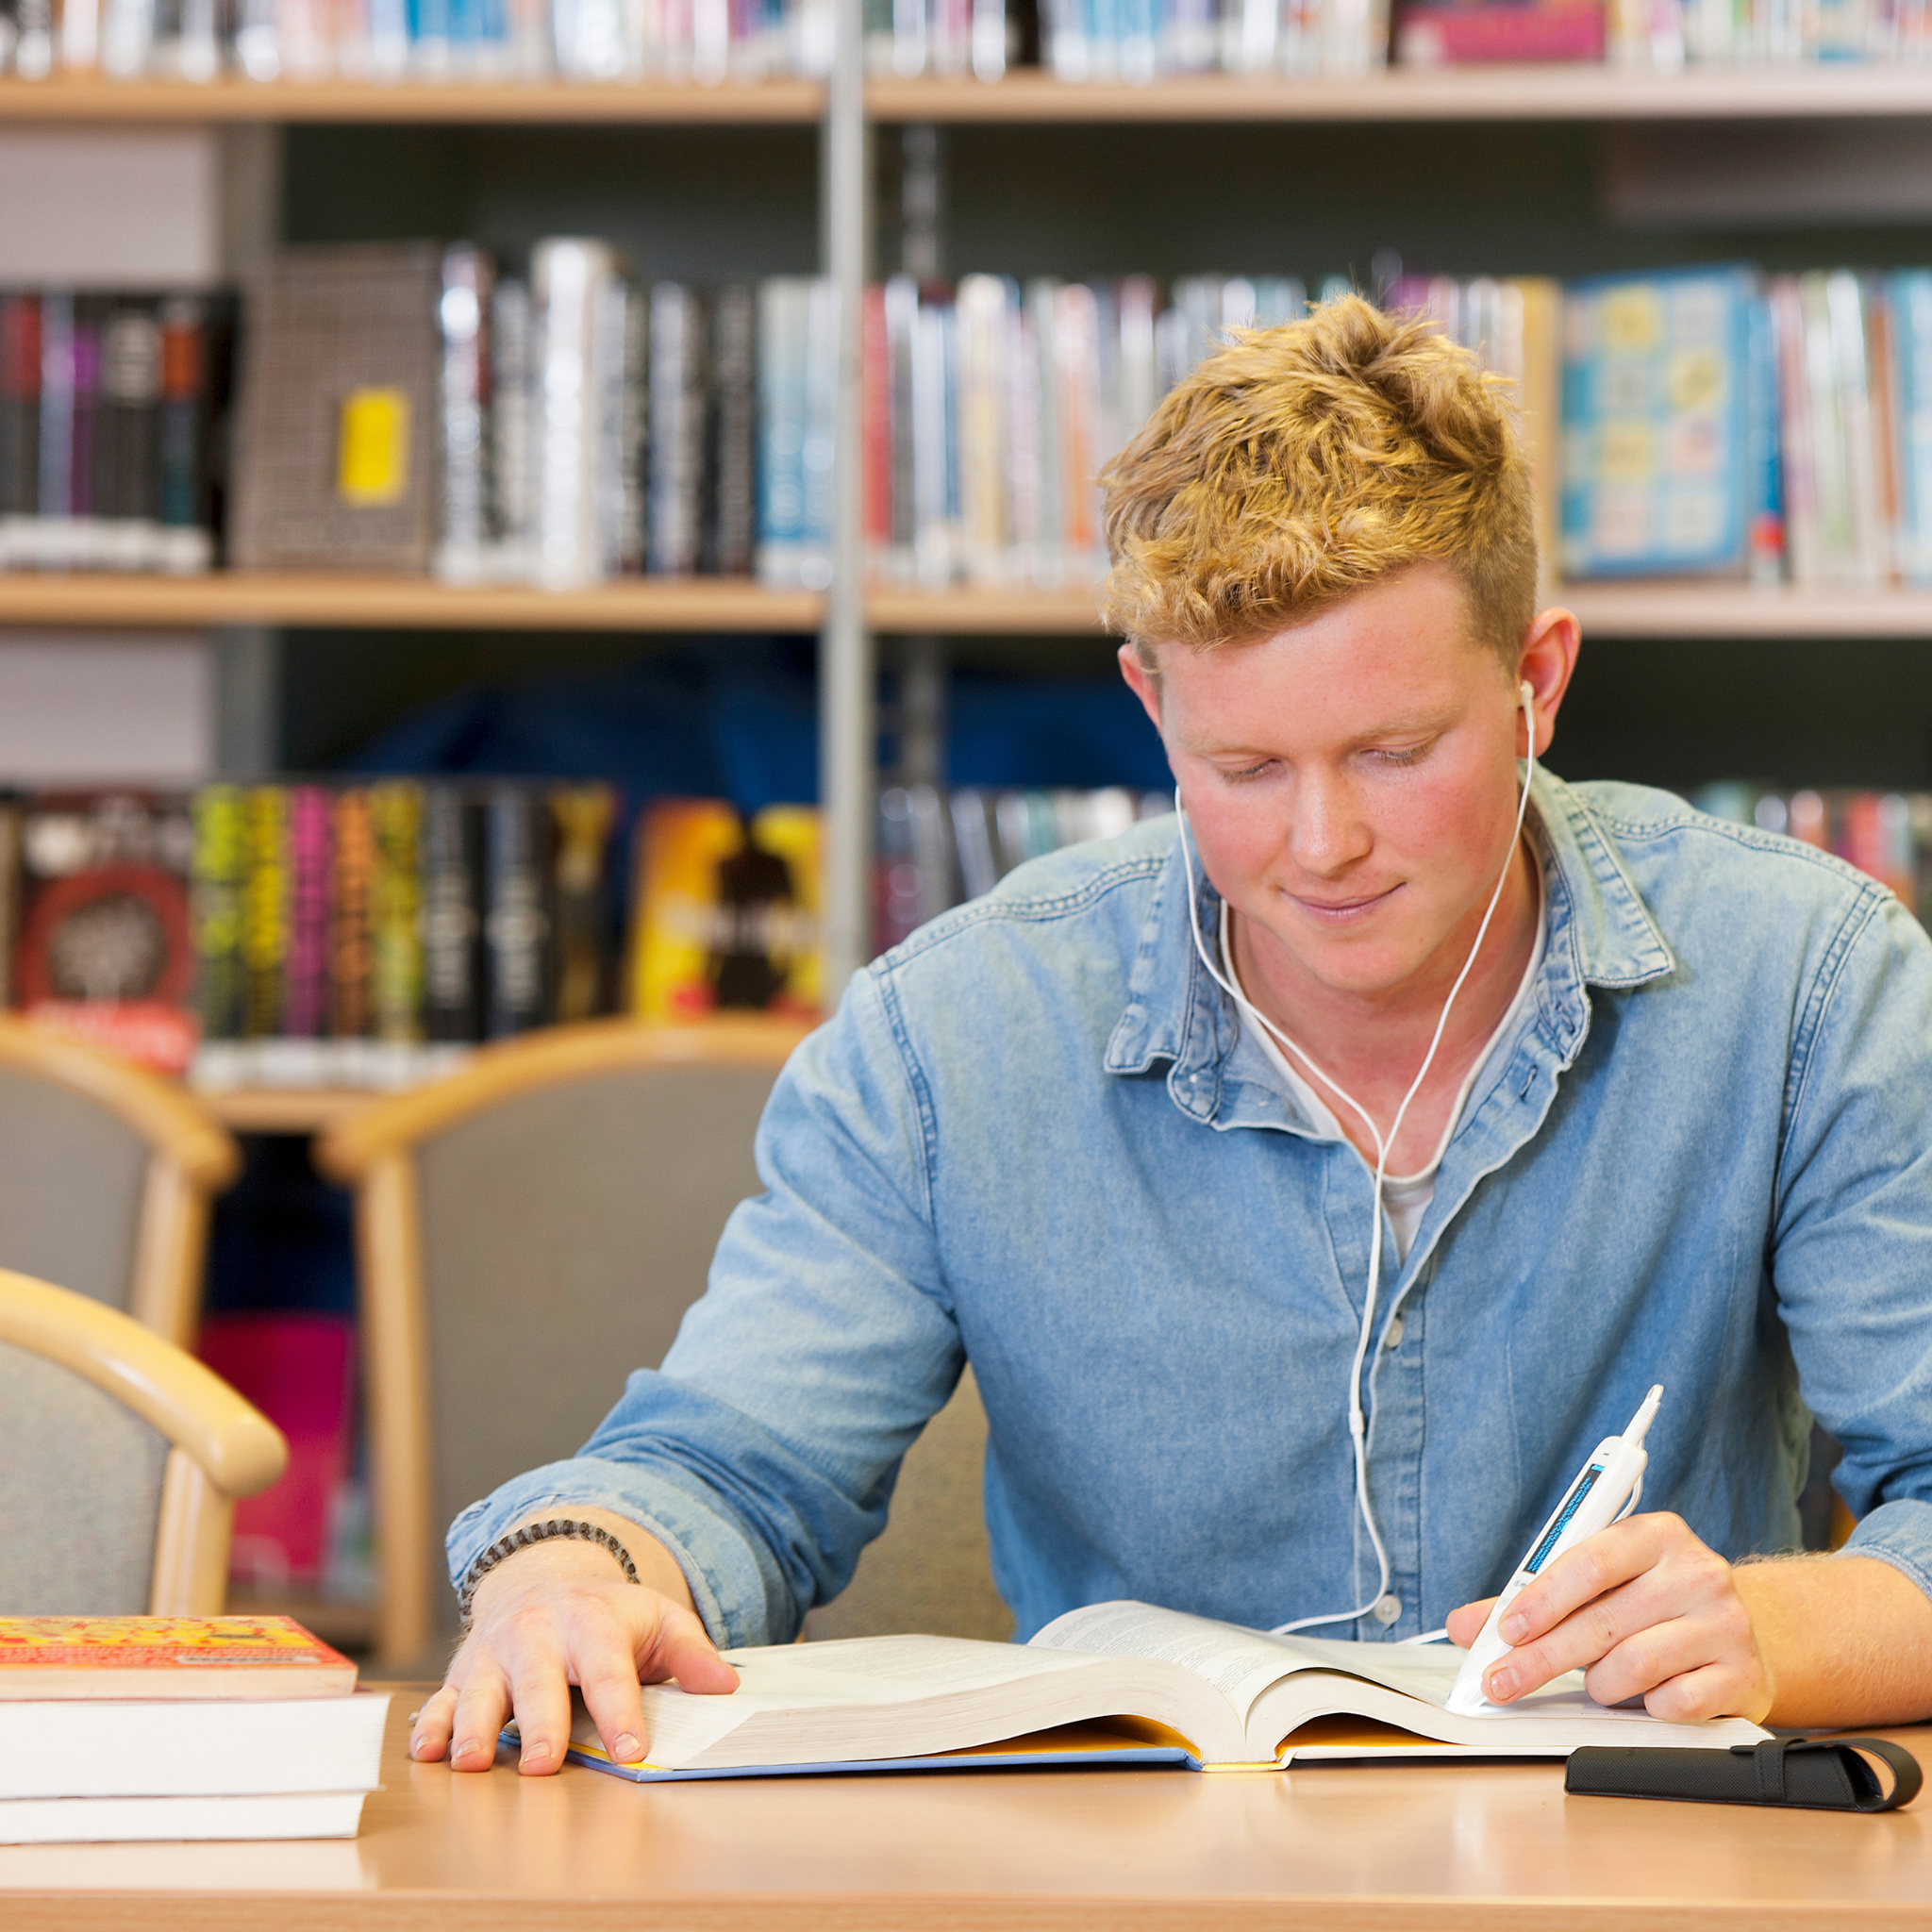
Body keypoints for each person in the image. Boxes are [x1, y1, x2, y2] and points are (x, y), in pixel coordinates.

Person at [411, 296, 1932, 1778]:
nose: (1323, 843)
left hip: (1646, 1863)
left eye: (1394, 754)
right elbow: (721, 1467)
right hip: (1135, 1877)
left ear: (1538, 682)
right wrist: (571, 1573)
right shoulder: (955, 1037)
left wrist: (1773, 1625)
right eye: (1246, 766)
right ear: (1149, 703)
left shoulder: (1806, 984)